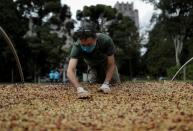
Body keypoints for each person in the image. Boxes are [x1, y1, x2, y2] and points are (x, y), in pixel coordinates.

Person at [67, 20, 120, 98]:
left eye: (89, 44)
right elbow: (70, 70)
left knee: (115, 85)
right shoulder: (77, 46)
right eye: (83, 45)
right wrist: (79, 88)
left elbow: (111, 64)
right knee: (93, 86)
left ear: (95, 39)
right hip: (91, 65)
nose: (86, 47)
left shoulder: (105, 40)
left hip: (106, 64)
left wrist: (106, 83)